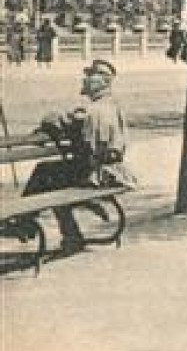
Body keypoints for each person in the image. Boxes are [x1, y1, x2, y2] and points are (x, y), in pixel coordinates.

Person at [22, 59, 133, 255]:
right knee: (51, 178)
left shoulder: (89, 111)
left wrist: (47, 124)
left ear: (100, 82)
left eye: (89, 76)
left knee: (44, 172)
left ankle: (25, 223)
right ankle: (70, 235)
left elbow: (55, 120)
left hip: (95, 174)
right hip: (115, 172)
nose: (84, 79)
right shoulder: (113, 106)